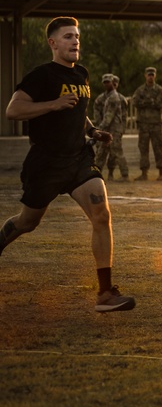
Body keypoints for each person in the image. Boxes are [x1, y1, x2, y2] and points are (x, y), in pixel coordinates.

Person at [0, 17, 136, 312]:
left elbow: (77, 111)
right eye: (67, 37)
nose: (75, 41)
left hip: (78, 159)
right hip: (46, 163)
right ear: (53, 43)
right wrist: (52, 104)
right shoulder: (42, 76)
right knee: (28, 222)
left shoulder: (83, 74)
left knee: (101, 214)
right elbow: (13, 110)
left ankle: (105, 294)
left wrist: (92, 130)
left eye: (77, 36)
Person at [132, 66, 162, 180]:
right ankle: (144, 173)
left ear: (155, 76)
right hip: (143, 124)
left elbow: (159, 104)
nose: (150, 77)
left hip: (156, 124)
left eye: (152, 74)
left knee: (158, 148)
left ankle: (161, 172)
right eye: (149, 74)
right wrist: (150, 101)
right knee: (143, 148)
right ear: (145, 75)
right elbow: (135, 102)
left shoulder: (159, 90)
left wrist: (146, 102)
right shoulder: (140, 90)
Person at [95, 74, 129, 180]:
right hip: (106, 129)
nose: (106, 84)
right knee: (101, 152)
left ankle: (124, 174)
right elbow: (98, 112)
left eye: (108, 82)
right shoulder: (105, 97)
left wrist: (98, 129)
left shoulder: (114, 97)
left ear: (113, 83)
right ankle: (95, 174)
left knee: (116, 151)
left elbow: (109, 117)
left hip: (113, 129)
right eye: (104, 82)